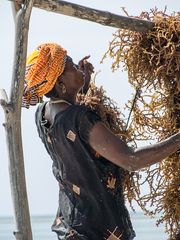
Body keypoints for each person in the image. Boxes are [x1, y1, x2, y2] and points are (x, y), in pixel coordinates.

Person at [22, 43, 180, 240]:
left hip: (70, 226)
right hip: (95, 231)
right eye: (70, 65)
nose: (77, 67)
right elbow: (132, 160)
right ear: (59, 81)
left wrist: (81, 83)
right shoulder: (81, 118)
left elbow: (70, 132)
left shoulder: (42, 114)